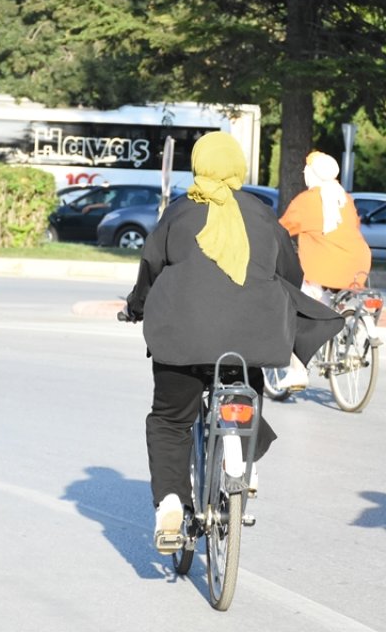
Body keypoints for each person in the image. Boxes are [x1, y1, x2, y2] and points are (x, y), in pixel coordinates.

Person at [123, 132, 342, 551]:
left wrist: (136, 306)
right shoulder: (260, 215)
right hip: (252, 339)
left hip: (182, 341)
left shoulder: (180, 212)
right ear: (237, 167)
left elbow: (150, 268)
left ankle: (170, 502)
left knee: (170, 419)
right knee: (247, 392)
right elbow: (291, 273)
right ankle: (242, 464)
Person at [273, 151, 373, 388]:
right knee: (334, 300)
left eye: (306, 170)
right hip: (358, 263)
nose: (304, 174)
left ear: (313, 173)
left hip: (324, 266)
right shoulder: (344, 198)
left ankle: (298, 370)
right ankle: (352, 335)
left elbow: (280, 230)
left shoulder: (307, 200)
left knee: (298, 311)